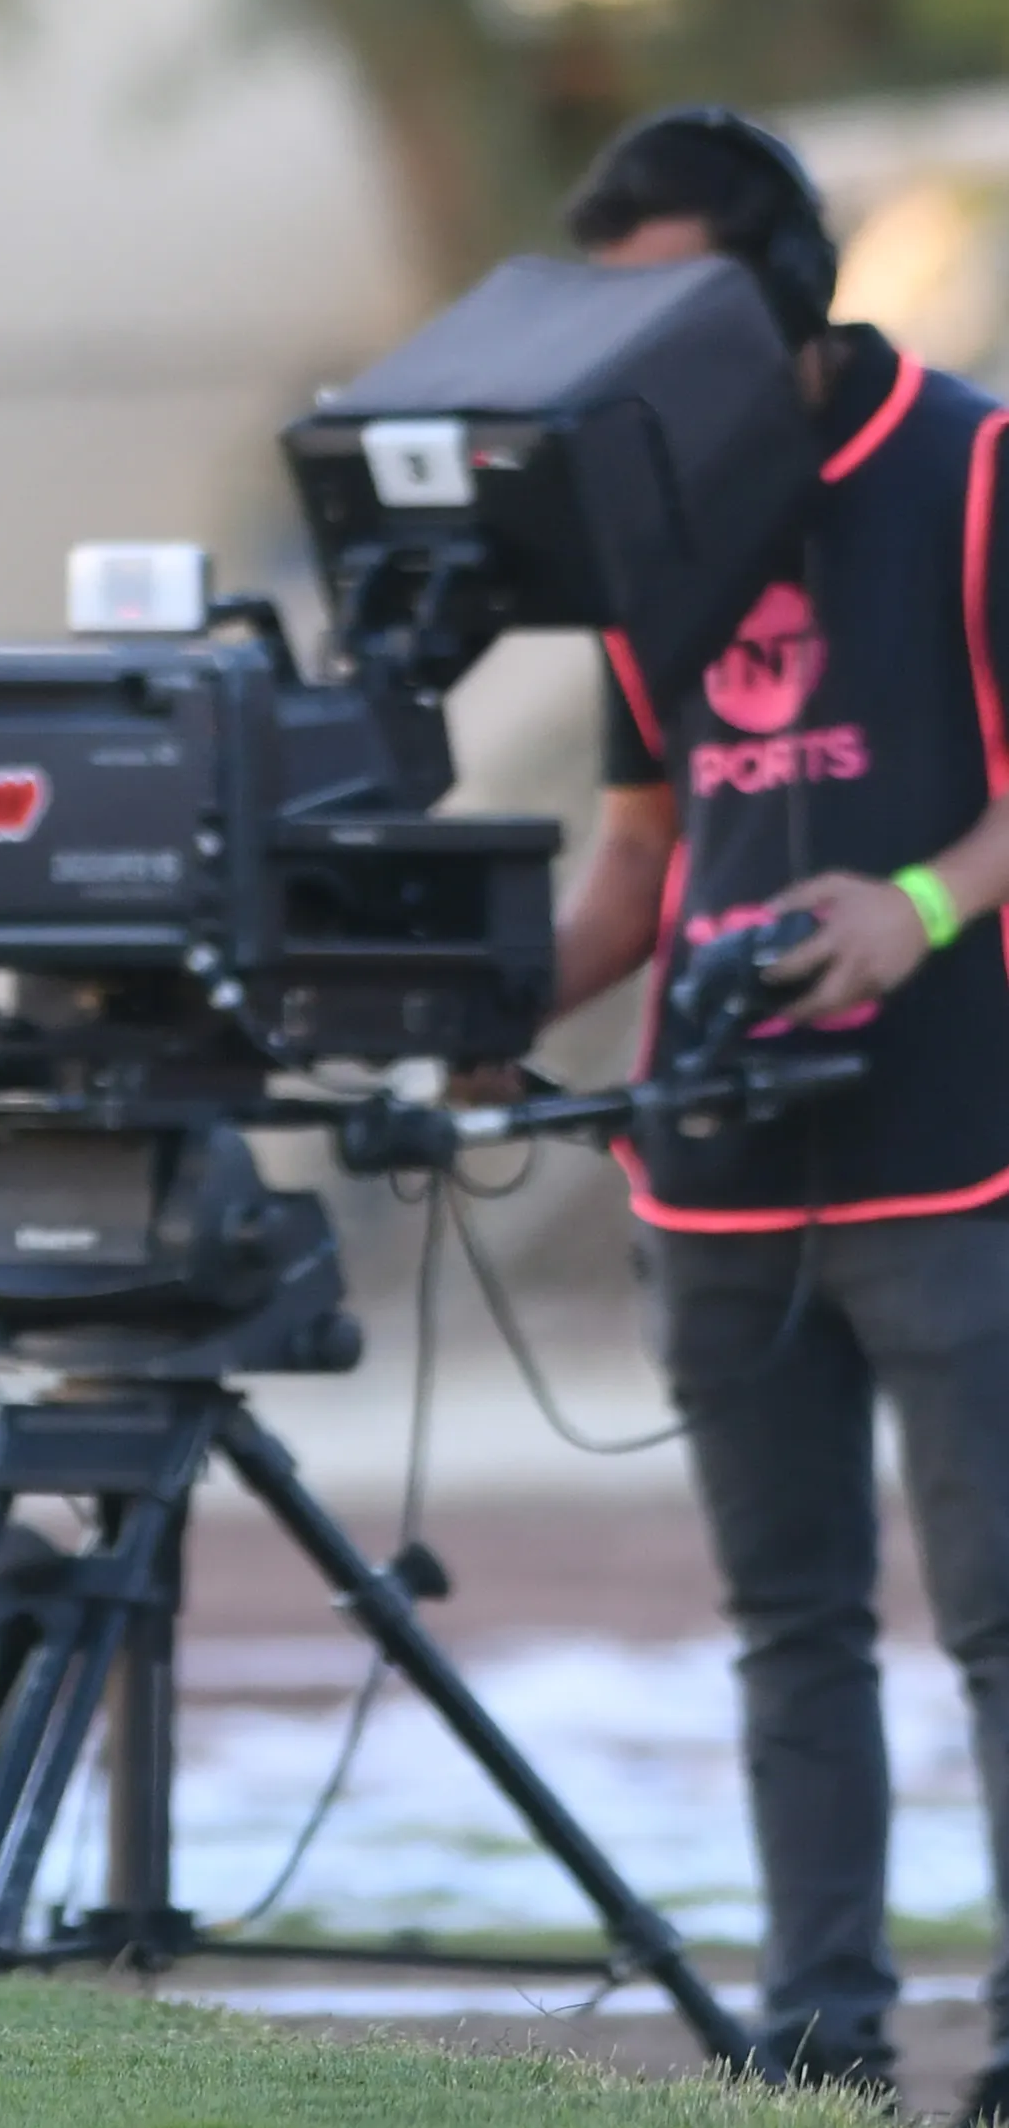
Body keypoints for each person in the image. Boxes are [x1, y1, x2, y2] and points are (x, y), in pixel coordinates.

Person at [541, 107, 1009, 2112]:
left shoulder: (978, 464)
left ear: (791, 293)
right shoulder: (637, 515)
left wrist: (910, 906)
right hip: (715, 1172)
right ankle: (823, 2028)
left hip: (956, 1145)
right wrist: (475, 1009)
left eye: (681, 308)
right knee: (787, 1620)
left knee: (1001, 1618)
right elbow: (643, 856)